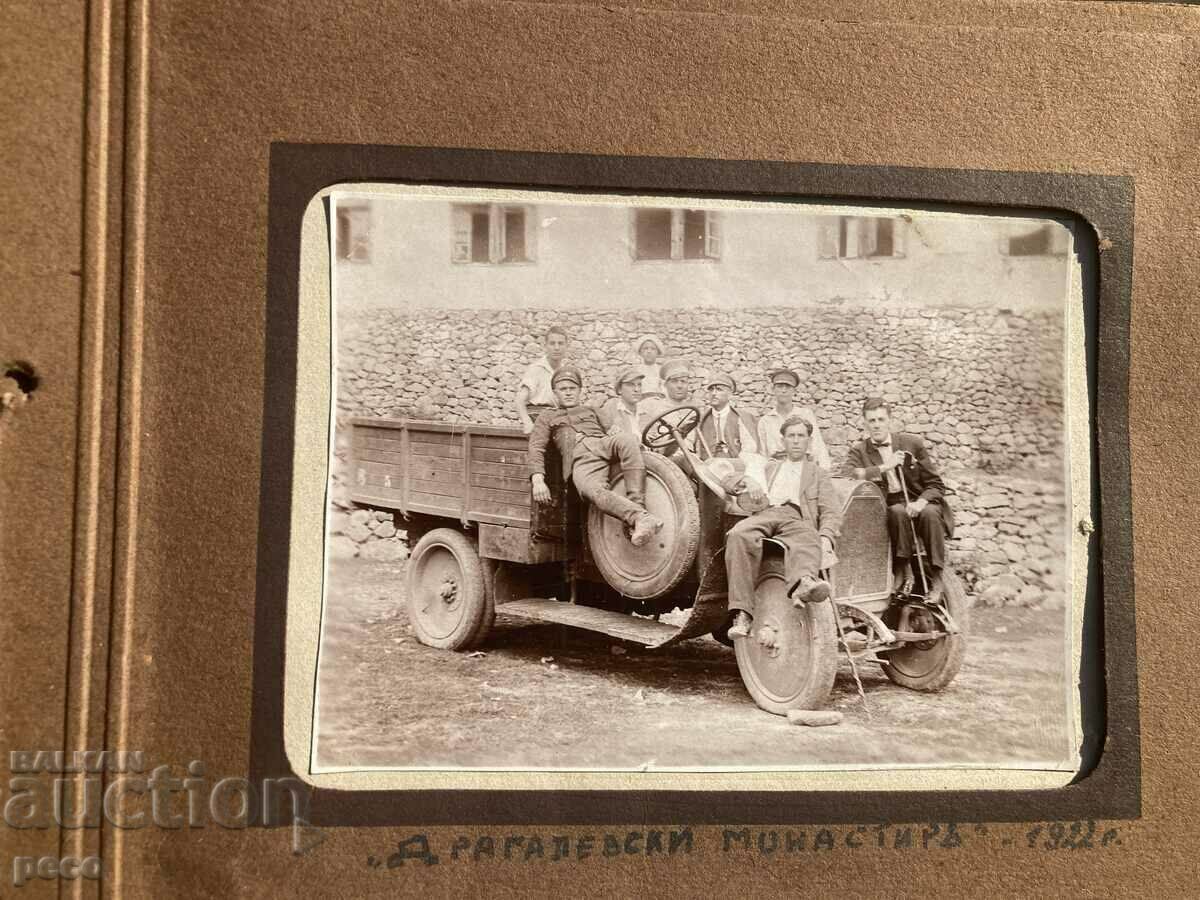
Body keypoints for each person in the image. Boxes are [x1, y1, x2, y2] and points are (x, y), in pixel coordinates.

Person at [724, 416, 843, 639]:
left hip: (797, 518)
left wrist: (827, 536)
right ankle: (743, 613)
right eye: (791, 436)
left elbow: (831, 511)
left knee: (809, 535)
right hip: (767, 513)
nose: (796, 441)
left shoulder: (817, 474)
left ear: (809, 441)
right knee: (738, 534)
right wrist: (748, 481)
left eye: (801, 436)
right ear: (784, 441)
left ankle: (805, 584)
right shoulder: (769, 467)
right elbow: (727, 478)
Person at [527, 367, 663, 547]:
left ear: (579, 390)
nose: (568, 393)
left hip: (603, 444)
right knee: (592, 490)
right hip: (581, 458)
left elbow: (613, 430)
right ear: (555, 393)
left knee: (628, 440)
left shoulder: (593, 410)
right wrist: (537, 479)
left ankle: (639, 510)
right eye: (563, 389)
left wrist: (623, 437)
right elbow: (536, 447)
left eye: (572, 388)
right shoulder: (547, 416)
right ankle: (639, 517)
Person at [843, 397, 955, 602]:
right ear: (864, 423)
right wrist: (884, 467)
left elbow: (936, 485)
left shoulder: (912, 443)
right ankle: (903, 570)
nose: (876, 425)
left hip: (918, 499)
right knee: (896, 511)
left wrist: (921, 502)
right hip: (887, 505)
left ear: (889, 420)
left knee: (930, 513)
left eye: (880, 419)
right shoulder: (859, 451)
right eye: (872, 421)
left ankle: (937, 578)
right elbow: (848, 474)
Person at [756, 368, 831, 469]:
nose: (783, 390)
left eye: (788, 387)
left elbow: (817, 445)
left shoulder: (806, 415)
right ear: (773, 390)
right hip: (776, 469)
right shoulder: (765, 421)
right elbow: (762, 453)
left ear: (794, 391)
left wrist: (824, 470)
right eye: (779, 386)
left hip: (804, 467)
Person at [514, 325, 570, 434]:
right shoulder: (536, 369)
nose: (556, 347)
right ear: (545, 346)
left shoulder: (565, 371)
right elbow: (519, 400)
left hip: (556, 418)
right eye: (552, 343)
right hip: (537, 416)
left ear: (566, 346)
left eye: (560, 343)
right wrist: (527, 422)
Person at [695, 373, 759, 460]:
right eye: (711, 390)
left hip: (736, 467)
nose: (714, 393)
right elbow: (695, 449)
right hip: (707, 468)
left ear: (730, 395)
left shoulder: (742, 418)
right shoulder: (700, 420)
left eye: (719, 389)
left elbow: (750, 449)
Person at [601, 368, 644, 439]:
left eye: (639, 385)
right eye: (630, 385)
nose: (637, 389)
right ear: (619, 389)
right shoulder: (610, 410)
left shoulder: (645, 412)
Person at [633, 334, 665, 411]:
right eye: (645, 348)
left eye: (653, 349)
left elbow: (665, 391)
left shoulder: (661, 371)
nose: (649, 351)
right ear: (640, 352)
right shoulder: (636, 371)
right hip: (640, 405)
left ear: (658, 352)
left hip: (659, 405)